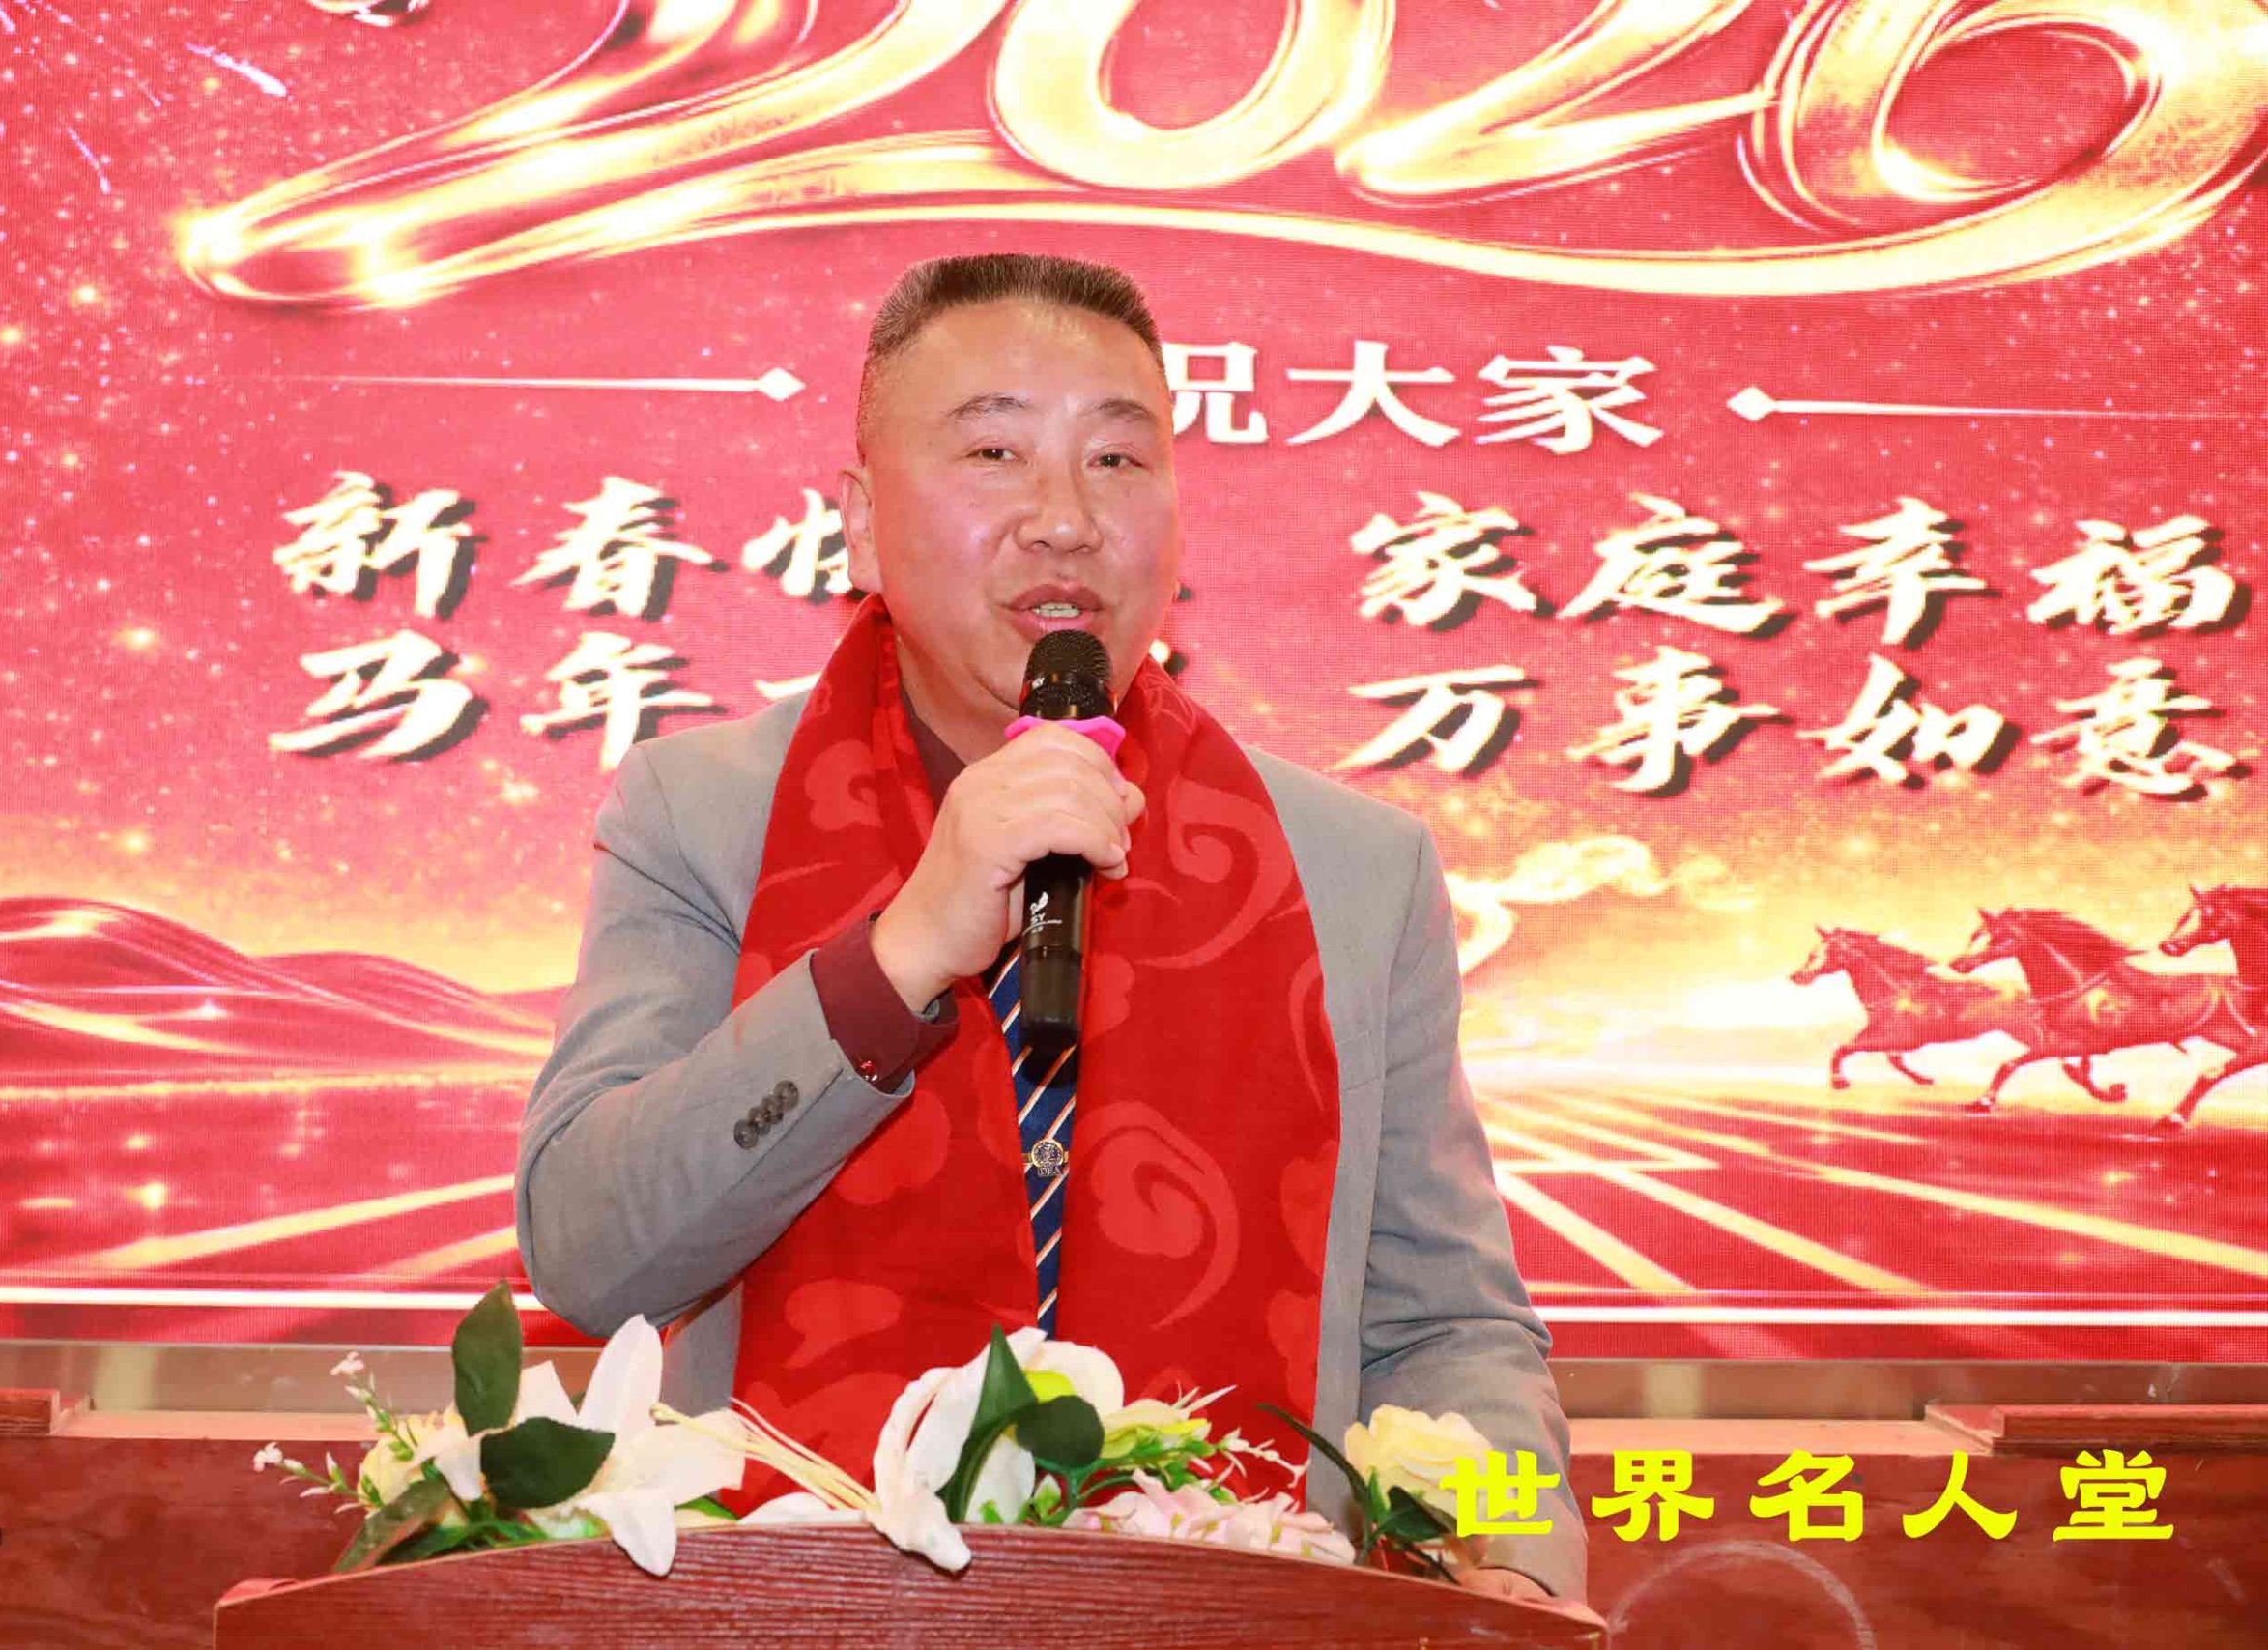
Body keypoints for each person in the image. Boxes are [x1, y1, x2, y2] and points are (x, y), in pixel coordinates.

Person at [517, 253, 1586, 1604]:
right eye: (995, 452)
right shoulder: (701, 814)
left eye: (1118, 460)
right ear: (861, 522)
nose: (1066, 521)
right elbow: (589, 1253)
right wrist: (897, 956)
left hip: (1236, 1622)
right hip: (803, 1617)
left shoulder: (1356, 871)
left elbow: (1447, 1329)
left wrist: (1511, 1564)